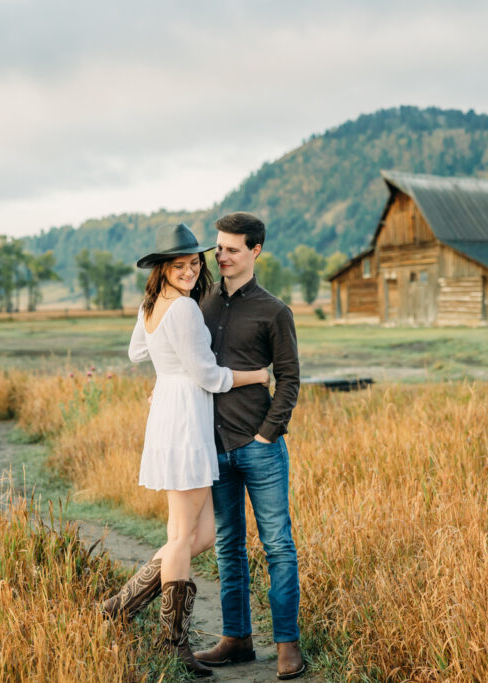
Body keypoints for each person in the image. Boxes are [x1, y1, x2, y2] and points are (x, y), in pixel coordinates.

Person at [102, 222, 270, 678]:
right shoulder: (185, 311)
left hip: (172, 415)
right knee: (182, 537)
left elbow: (139, 352)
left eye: (195, 262)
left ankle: (119, 606)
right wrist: (257, 375)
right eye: (180, 265)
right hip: (186, 420)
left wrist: (166, 376)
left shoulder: (153, 304)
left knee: (201, 536)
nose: (191, 271)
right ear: (163, 268)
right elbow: (209, 377)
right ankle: (173, 644)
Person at [194, 212, 305, 680]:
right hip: (213, 446)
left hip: (258, 448)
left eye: (232, 249)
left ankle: (287, 645)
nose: (221, 256)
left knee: (278, 545)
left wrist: (268, 433)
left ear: (255, 250)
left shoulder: (274, 311)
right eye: (218, 248)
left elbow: (290, 378)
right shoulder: (200, 302)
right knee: (227, 546)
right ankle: (237, 638)